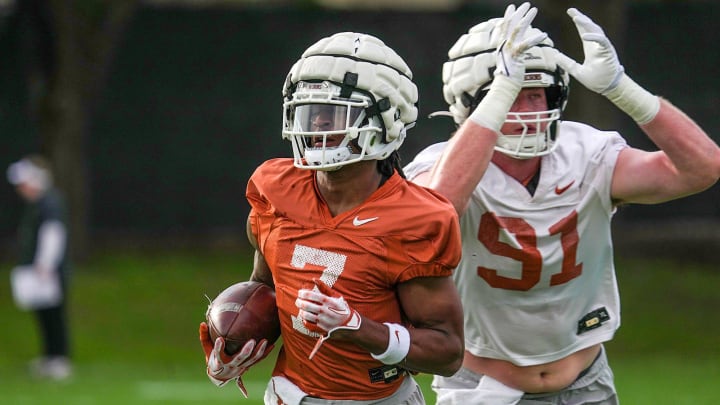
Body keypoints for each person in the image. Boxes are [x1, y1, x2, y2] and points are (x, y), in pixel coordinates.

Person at [404, 3, 720, 404]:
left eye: (538, 94)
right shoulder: (439, 167)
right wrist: (499, 92)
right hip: (485, 388)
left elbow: (701, 168)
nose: (532, 111)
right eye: (514, 94)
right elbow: (436, 217)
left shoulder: (585, 152)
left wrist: (621, 88)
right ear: (473, 103)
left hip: (587, 382)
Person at [198, 31, 465, 404]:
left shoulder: (414, 218)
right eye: (310, 111)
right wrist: (237, 345)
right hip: (292, 396)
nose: (318, 124)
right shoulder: (275, 189)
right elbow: (267, 290)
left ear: (386, 120)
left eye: (334, 112)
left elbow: (447, 352)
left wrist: (360, 328)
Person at [7, 155, 73, 380]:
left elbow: (53, 234)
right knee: (42, 314)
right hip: (40, 270)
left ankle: (59, 359)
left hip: (47, 270)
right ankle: (49, 357)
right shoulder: (38, 204)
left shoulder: (49, 202)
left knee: (54, 315)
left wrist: (45, 264)